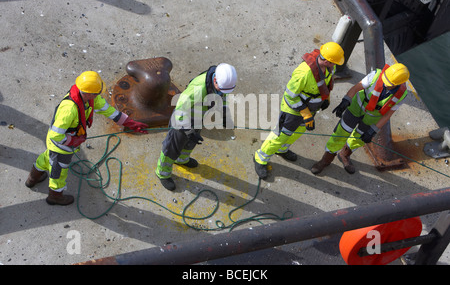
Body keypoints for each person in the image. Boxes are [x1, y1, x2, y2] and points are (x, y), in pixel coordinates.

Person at [25, 71, 148, 205]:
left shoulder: (89, 98)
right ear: (89, 93)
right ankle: (54, 196)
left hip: (61, 143)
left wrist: (130, 123)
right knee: (59, 171)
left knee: (46, 158)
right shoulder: (69, 110)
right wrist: (71, 141)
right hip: (60, 146)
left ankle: (32, 179)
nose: (99, 95)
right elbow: (56, 135)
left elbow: (109, 111)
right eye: (97, 93)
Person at [254, 42, 345, 180]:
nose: (335, 66)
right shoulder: (304, 73)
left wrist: (326, 98)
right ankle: (260, 158)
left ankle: (282, 150)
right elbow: (290, 96)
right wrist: (306, 114)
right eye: (333, 63)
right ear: (327, 60)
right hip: (293, 110)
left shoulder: (328, 68)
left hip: (310, 109)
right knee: (281, 136)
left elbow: (326, 84)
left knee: (297, 133)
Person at [311, 63, 410, 175]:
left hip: (371, 119)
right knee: (340, 133)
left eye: (390, 84)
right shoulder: (376, 75)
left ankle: (344, 155)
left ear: (399, 83)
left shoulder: (402, 95)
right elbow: (356, 88)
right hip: (355, 109)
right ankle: (326, 160)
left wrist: (374, 130)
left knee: (359, 139)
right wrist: (345, 101)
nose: (385, 84)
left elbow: (388, 115)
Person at [155, 63, 237, 191]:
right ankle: (163, 172)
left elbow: (222, 98)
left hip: (198, 117)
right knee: (171, 148)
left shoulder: (222, 84)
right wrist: (188, 130)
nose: (222, 92)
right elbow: (180, 110)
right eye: (221, 89)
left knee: (189, 144)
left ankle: (182, 160)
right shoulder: (197, 89)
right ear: (214, 80)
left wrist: (225, 115)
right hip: (182, 121)